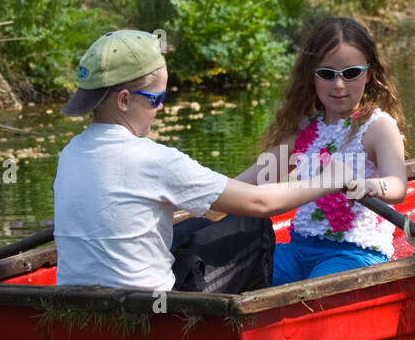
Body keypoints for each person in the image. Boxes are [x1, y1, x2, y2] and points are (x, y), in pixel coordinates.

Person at [54, 29, 362, 292]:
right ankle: (252, 330)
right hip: (154, 307)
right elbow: (258, 204)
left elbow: (214, 206)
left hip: (75, 296)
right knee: (251, 223)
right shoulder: (154, 160)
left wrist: (272, 164)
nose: (160, 109)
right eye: (157, 99)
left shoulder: (69, 154)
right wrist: (327, 181)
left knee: (195, 225)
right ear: (123, 100)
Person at [234, 17, 409, 286]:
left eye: (351, 73)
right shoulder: (304, 131)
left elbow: (397, 185)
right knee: (243, 278)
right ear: (312, 76)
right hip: (299, 248)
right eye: (327, 74)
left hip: (355, 252)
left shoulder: (378, 128)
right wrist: (194, 190)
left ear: (369, 73)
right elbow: (252, 181)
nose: (339, 85)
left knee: (315, 289)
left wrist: (372, 185)